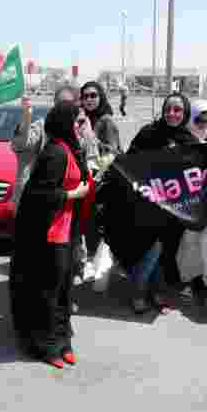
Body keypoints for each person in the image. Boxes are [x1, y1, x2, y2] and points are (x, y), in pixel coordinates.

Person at [9, 102, 93, 368]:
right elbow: (38, 196)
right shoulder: (56, 152)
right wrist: (71, 194)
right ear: (65, 123)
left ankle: (63, 339)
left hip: (67, 230)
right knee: (49, 289)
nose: (82, 127)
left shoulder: (72, 148)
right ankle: (46, 345)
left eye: (83, 122)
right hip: (49, 233)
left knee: (65, 288)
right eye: (78, 122)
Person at [124, 92, 199, 314]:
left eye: (178, 110)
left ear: (185, 113)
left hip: (174, 208)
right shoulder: (148, 133)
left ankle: (157, 292)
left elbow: (196, 174)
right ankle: (138, 291)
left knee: (165, 250)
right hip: (147, 203)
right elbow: (130, 161)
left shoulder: (190, 141)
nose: (172, 114)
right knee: (152, 248)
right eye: (168, 109)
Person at [173, 99, 207, 302]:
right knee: (189, 242)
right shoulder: (183, 140)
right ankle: (187, 281)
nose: (204, 123)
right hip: (189, 202)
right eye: (200, 118)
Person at [11, 86, 79, 214]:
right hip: (34, 207)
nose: (63, 109)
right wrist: (26, 117)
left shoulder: (79, 131)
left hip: (67, 209)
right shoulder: (41, 128)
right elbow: (19, 144)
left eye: (68, 105)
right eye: (59, 104)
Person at [79, 81, 122, 281]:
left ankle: (99, 265)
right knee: (87, 221)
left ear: (101, 97)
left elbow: (113, 152)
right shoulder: (82, 118)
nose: (89, 99)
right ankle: (90, 261)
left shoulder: (106, 121)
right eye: (85, 95)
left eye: (93, 95)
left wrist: (91, 138)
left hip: (102, 180)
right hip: (85, 178)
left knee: (96, 222)